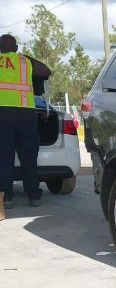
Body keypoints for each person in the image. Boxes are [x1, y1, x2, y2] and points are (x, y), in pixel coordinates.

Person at [0, 34, 52, 209]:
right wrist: (26, 57)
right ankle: (34, 196)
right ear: (15, 48)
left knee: (4, 158)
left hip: (2, 114)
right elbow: (46, 72)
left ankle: (6, 198)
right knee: (29, 156)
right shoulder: (25, 62)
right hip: (26, 114)